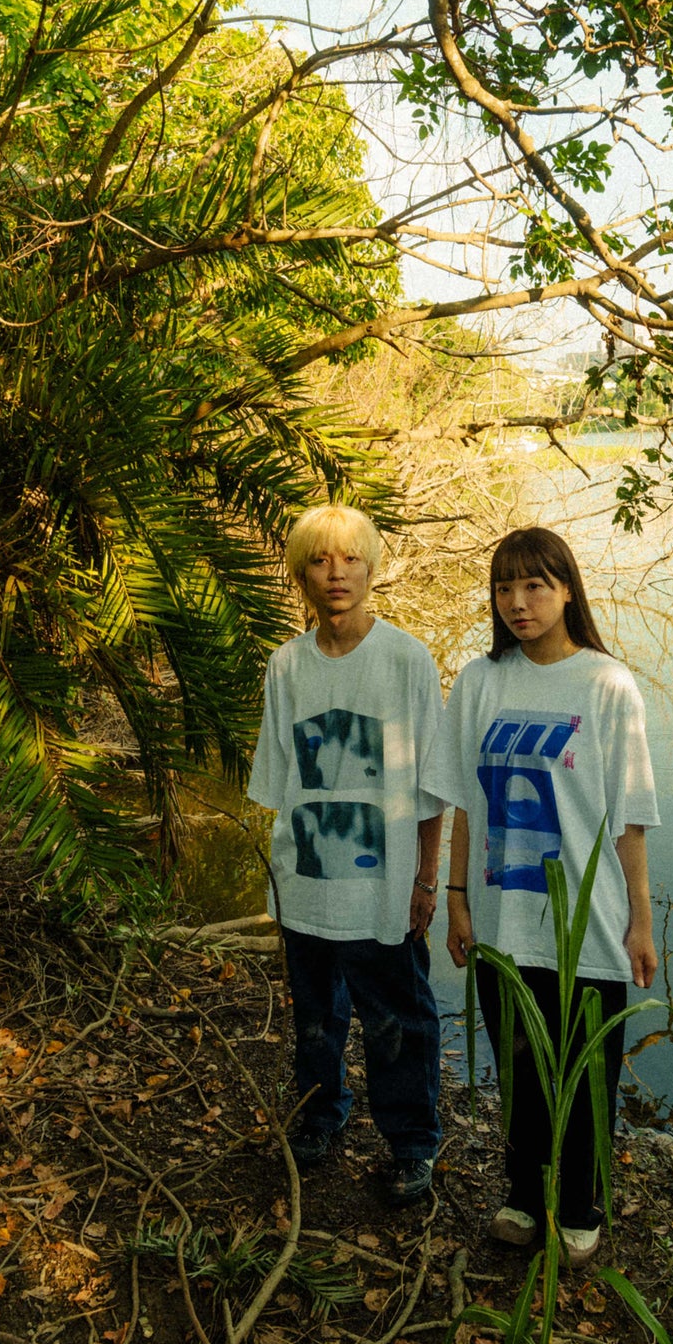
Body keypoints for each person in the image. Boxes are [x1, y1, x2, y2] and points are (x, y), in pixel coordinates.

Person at [426, 526, 658, 1267]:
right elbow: (467, 802)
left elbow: (629, 819)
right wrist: (456, 897)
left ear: (566, 591)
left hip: (585, 921)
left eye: (534, 586)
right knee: (518, 1068)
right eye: (504, 588)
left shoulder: (607, 684)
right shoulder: (479, 682)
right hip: (503, 917)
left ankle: (582, 1204)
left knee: (586, 1071)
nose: (518, 603)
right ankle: (525, 1194)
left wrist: (641, 920)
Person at [246, 504, 445, 1206]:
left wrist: (426, 879)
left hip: (382, 888)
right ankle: (319, 1115)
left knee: (400, 1021)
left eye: (351, 558)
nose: (337, 573)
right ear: (300, 574)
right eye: (320, 560)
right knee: (314, 1017)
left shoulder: (405, 659)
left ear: (371, 568)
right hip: (306, 883)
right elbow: (276, 783)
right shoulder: (285, 665)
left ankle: (412, 1144)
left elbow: (432, 783)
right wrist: (278, 884)